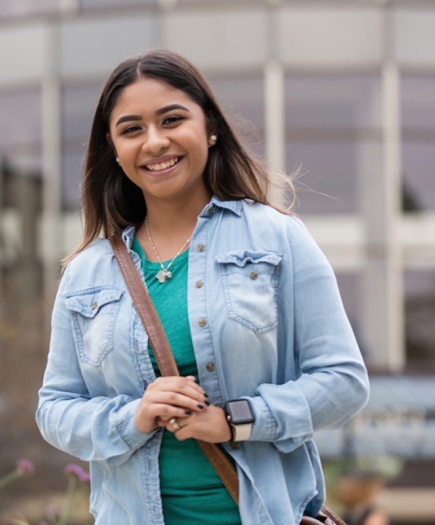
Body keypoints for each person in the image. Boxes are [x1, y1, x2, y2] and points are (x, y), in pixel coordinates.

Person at [35, 48, 370, 525]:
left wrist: (237, 419)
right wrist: (134, 415)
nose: (154, 142)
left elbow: (343, 382)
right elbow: (55, 410)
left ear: (209, 127)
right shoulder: (86, 272)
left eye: (172, 120)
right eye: (131, 129)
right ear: (114, 149)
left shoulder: (276, 238)